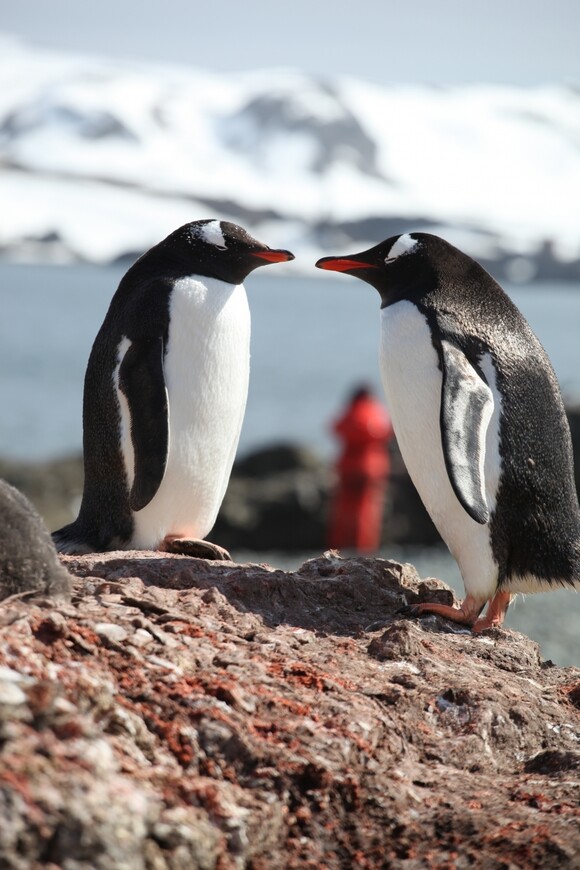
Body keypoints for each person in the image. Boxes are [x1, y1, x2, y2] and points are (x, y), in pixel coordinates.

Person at [327, 385, 394, 553]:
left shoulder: (350, 411)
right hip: (372, 468)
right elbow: (386, 432)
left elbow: (336, 428)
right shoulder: (378, 412)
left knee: (343, 511)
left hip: (349, 468)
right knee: (369, 512)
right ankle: (365, 550)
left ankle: (337, 549)